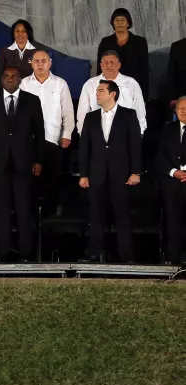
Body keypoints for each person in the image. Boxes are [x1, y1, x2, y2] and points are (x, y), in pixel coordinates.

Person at [0, 67, 45, 261]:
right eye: (7, 76)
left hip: (24, 163)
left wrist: (38, 160)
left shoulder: (32, 100)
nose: (10, 79)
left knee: (23, 209)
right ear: (1, 79)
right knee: (2, 209)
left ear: (20, 80)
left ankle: (25, 252)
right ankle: (3, 251)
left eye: (14, 76)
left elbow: (39, 134)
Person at [79, 79, 142, 262]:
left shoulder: (128, 115)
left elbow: (135, 145)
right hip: (97, 175)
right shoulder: (91, 117)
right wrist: (83, 174)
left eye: (100, 90)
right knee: (96, 216)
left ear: (112, 93)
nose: (96, 94)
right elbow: (85, 148)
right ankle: (94, 253)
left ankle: (126, 255)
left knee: (122, 215)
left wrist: (136, 172)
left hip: (121, 174)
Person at [20, 49, 76, 216]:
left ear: (50, 63)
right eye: (36, 61)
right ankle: (30, 212)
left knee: (52, 178)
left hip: (53, 138)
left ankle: (52, 212)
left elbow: (68, 112)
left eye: (44, 61)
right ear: (31, 63)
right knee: (30, 179)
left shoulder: (60, 84)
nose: (40, 64)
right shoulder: (24, 84)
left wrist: (66, 134)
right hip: (29, 140)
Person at [77, 48, 148, 135]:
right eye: (106, 63)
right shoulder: (90, 85)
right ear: (101, 65)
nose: (109, 65)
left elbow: (140, 111)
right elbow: (82, 114)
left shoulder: (131, 84)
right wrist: (83, 134)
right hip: (97, 134)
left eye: (112, 62)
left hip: (125, 133)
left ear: (119, 65)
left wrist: (139, 133)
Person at [158, 97, 186, 264]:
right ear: (175, 112)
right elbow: (160, 157)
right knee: (173, 221)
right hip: (173, 183)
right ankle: (173, 259)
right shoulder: (168, 130)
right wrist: (173, 172)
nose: (183, 111)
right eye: (180, 108)